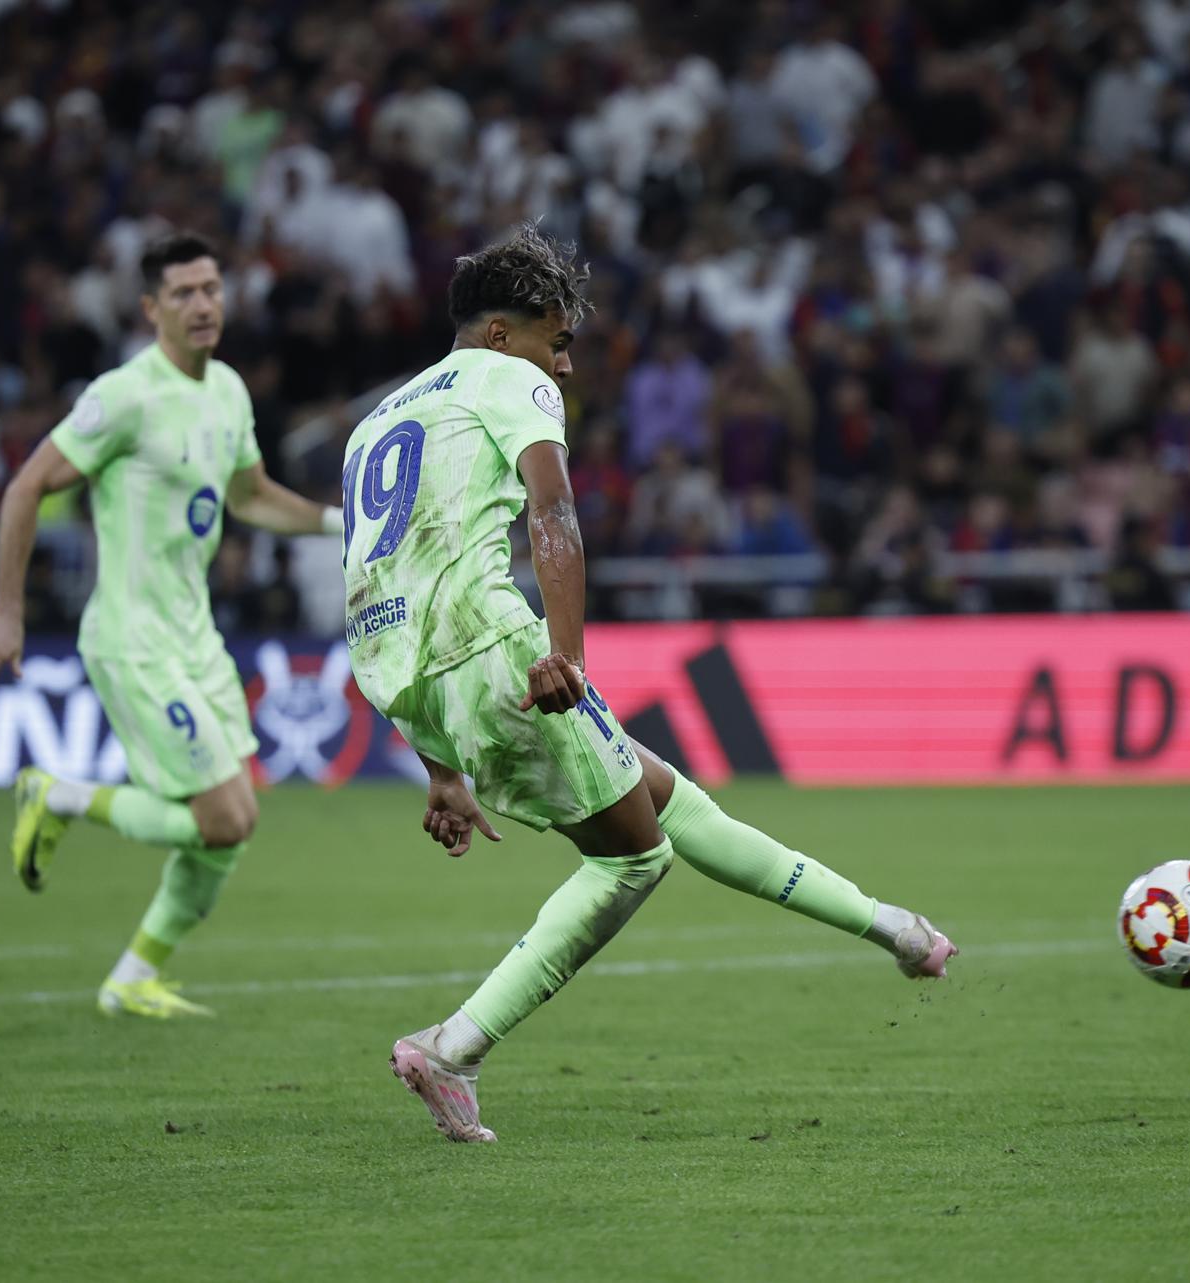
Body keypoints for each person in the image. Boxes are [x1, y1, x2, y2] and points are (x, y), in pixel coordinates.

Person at [343, 226, 957, 1144]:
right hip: (494, 645)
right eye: (557, 339)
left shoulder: (373, 425)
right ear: (504, 334)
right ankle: (455, 1047)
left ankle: (895, 930)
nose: (567, 360)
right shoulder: (509, 379)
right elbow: (551, 508)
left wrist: (436, 761)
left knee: (672, 803)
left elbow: (374, 588)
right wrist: (566, 653)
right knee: (633, 855)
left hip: (408, 673)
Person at [0, 231, 339, 1019]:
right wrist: (8, 609)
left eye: (212, 288)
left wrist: (344, 524)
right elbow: (26, 486)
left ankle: (133, 975)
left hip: (195, 637)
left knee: (232, 828)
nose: (204, 303)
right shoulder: (125, 395)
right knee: (224, 815)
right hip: (132, 638)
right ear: (151, 308)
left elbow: (251, 497)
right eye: (184, 292)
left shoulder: (230, 391)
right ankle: (58, 795)